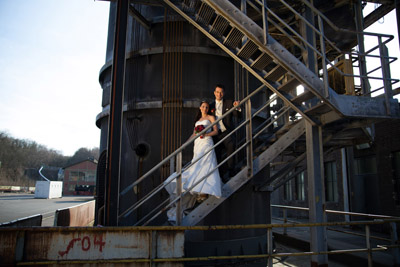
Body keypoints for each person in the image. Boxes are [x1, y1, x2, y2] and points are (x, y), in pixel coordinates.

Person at [164, 101, 222, 223]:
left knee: (207, 162)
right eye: (203, 106)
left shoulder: (211, 117)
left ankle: (205, 190)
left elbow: (216, 131)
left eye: (206, 107)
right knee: (197, 164)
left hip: (206, 142)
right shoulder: (198, 120)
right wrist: (185, 144)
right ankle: (198, 187)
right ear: (200, 108)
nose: (205, 108)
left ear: (208, 108)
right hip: (198, 144)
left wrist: (205, 134)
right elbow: (193, 134)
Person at [209, 84, 241, 182]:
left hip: (226, 131)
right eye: (217, 92)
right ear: (214, 93)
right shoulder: (210, 106)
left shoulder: (229, 102)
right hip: (216, 134)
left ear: (224, 93)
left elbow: (238, 116)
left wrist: (237, 107)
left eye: (221, 92)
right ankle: (220, 176)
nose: (219, 94)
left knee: (231, 145)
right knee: (217, 155)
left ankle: (231, 169)